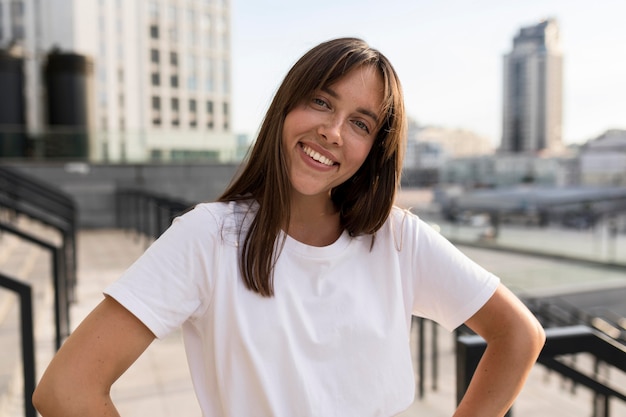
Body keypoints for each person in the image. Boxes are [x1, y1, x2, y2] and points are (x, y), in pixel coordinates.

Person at [33, 37, 545, 417]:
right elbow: (66, 389)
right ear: (286, 106)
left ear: (373, 152)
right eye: (321, 101)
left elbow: (519, 335)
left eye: (361, 123)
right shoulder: (209, 237)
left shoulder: (397, 238)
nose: (333, 130)